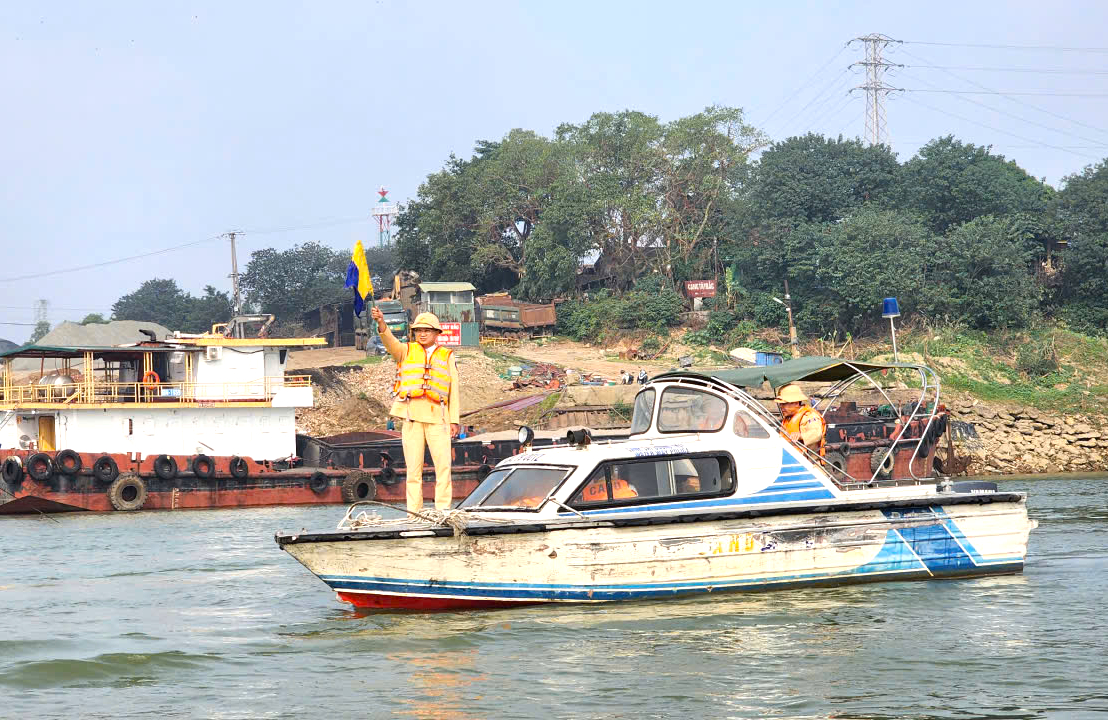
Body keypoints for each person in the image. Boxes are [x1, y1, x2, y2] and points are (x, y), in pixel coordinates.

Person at [371, 305, 460, 512]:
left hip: (439, 417)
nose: (422, 334)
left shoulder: (447, 355)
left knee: (444, 468)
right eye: (419, 330)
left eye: (427, 330)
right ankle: (414, 513)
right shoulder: (406, 350)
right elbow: (390, 342)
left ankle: (443, 511)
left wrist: (454, 420)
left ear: (437, 333)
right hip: (411, 416)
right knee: (413, 470)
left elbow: (454, 389)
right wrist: (381, 323)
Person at [774, 384, 826, 457]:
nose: (781, 407)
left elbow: (816, 434)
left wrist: (801, 436)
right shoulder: (788, 417)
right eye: (780, 404)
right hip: (791, 460)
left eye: (784, 404)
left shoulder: (809, 416)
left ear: (796, 403)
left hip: (810, 464)